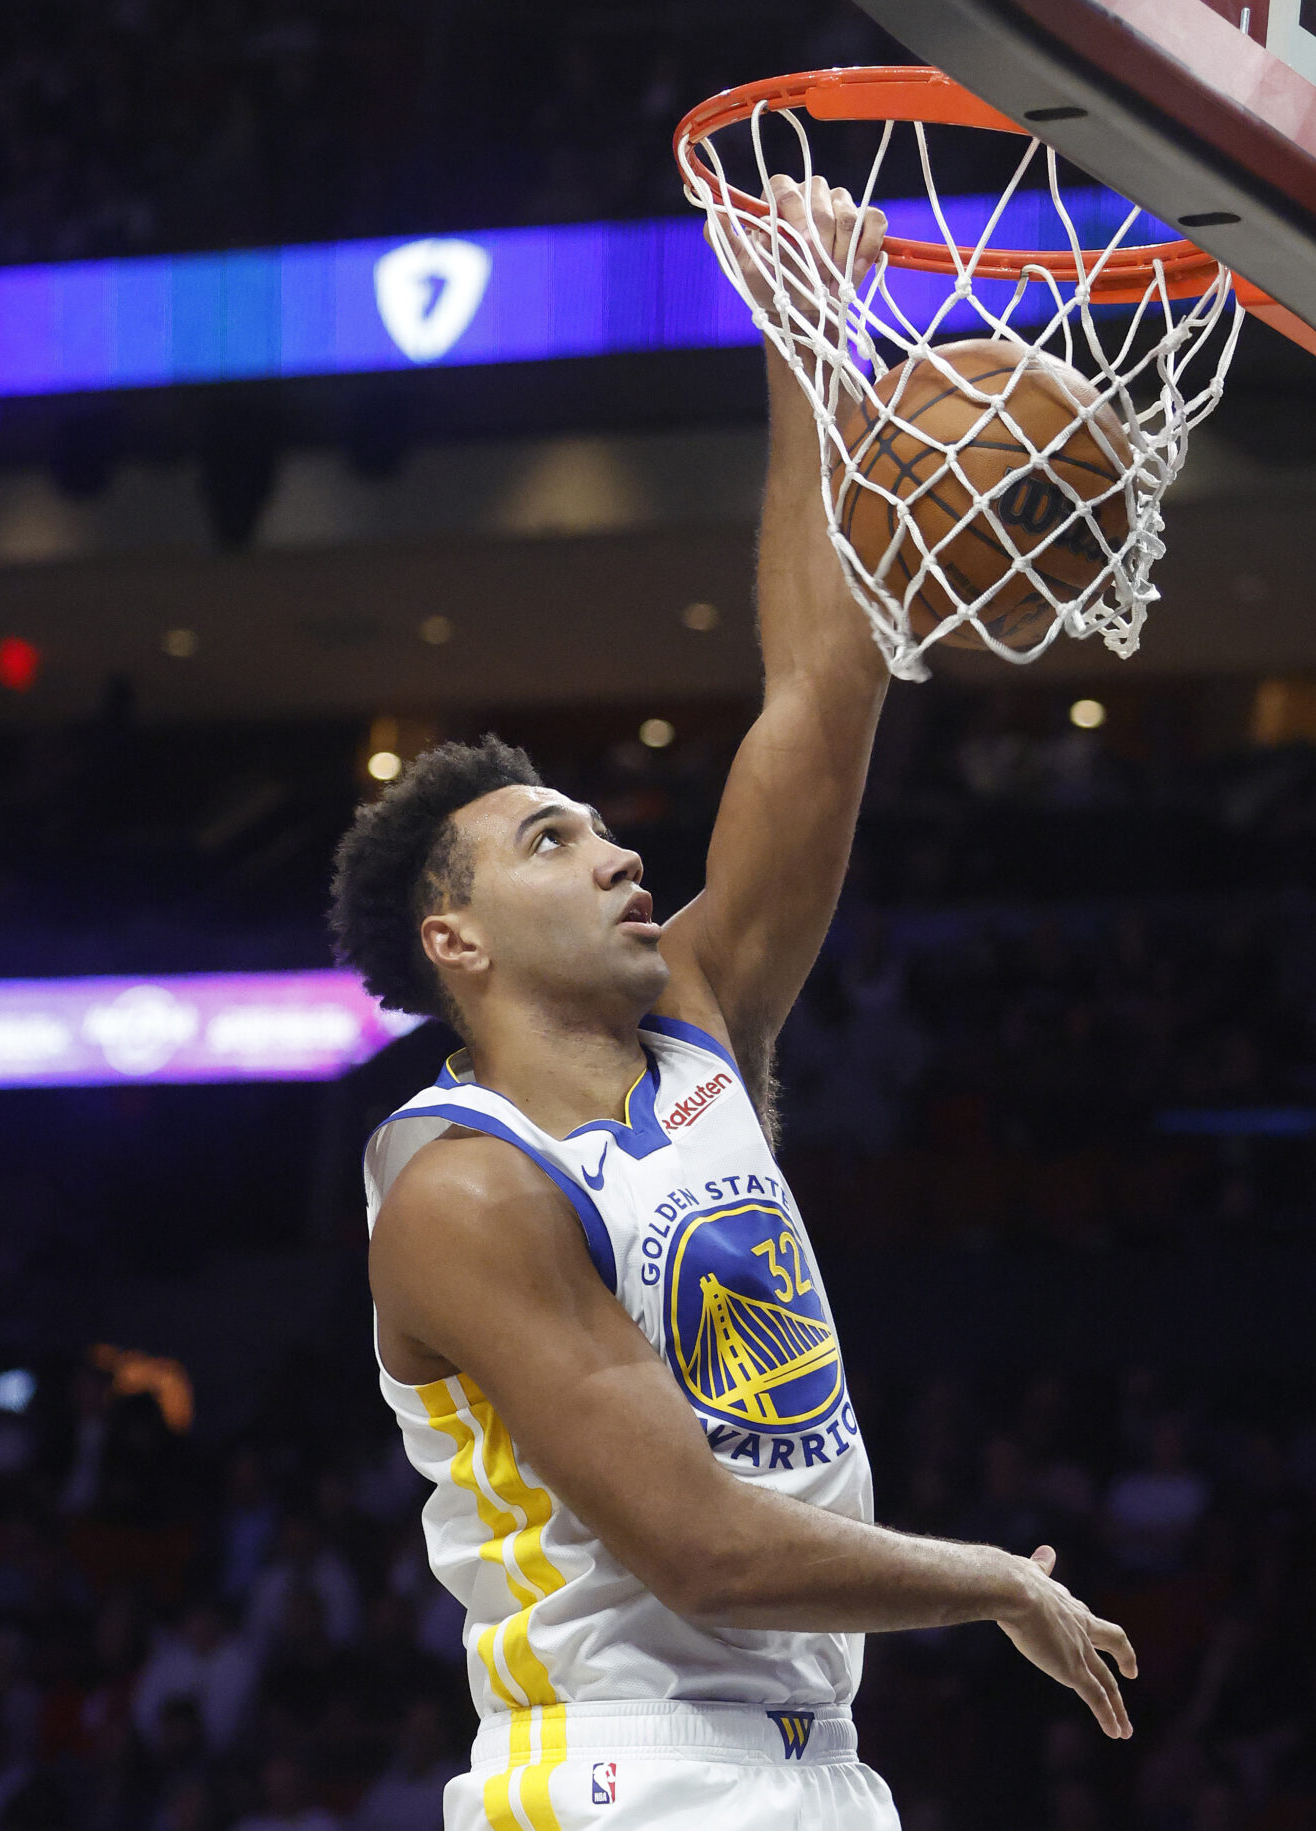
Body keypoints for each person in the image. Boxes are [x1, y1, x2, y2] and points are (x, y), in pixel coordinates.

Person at [328, 175, 1136, 1831]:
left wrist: (807, 330)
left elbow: (820, 691)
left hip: (805, 1759)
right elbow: (698, 1546)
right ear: (454, 943)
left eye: (599, 826)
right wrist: (996, 1578)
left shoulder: (695, 1016)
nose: (618, 851)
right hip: (621, 1769)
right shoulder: (462, 1191)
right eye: (552, 843)